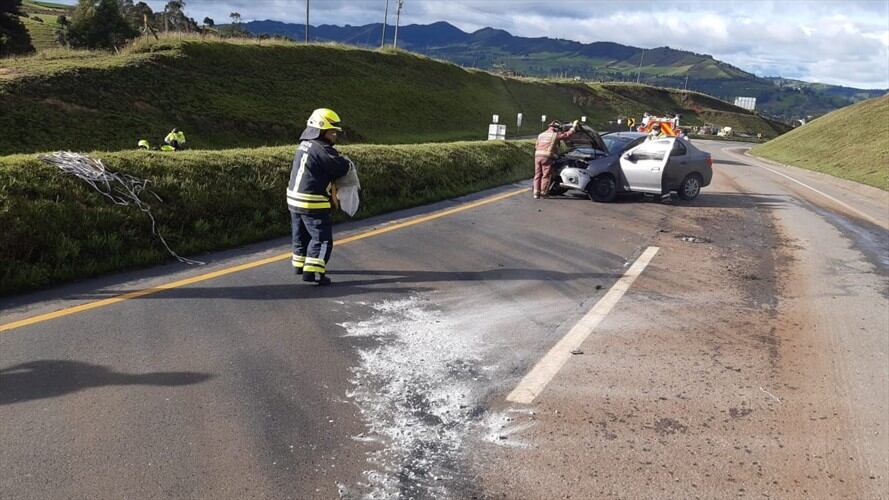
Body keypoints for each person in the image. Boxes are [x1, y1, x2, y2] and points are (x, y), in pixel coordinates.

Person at [286, 108, 351, 286]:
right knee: (321, 238)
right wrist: (346, 162)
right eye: (332, 131)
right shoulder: (322, 148)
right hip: (312, 202)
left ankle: (299, 265)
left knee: (300, 235)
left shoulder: (304, 144)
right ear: (321, 130)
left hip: (293, 200)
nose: (334, 135)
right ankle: (314, 272)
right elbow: (341, 167)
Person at [533, 119, 578, 199]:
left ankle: (536, 193)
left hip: (537, 156)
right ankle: (544, 193)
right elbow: (566, 135)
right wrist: (573, 128)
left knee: (537, 174)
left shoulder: (541, 135)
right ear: (556, 128)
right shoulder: (555, 135)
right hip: (546, 157)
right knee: (546, 175)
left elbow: (536, 146)